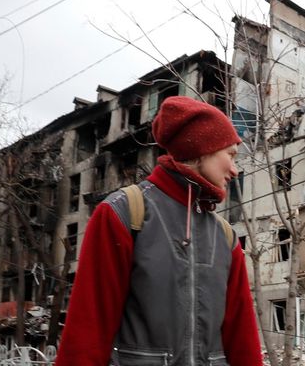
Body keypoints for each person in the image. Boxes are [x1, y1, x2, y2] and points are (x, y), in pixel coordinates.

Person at [55, 96, 261, 365]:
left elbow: (242, 339)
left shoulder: (226, 237)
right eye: (230, 155)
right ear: (202, 148)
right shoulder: (122, 213)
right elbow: (87, 333)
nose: (235, 169)